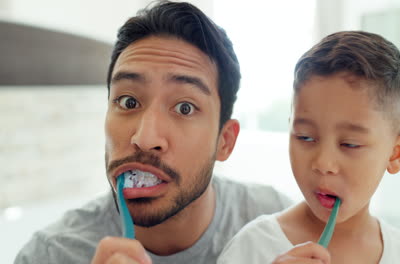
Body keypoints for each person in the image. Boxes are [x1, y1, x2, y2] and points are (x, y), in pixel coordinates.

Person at [14, 1, 292, 264]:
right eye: (128, 102)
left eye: (184, 108)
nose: (145, 139)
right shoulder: (48, 254)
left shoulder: (283, 227)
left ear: (225, 141)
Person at [217, 31, 400, 264]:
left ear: (396, 154)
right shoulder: (252, 247)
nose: (323, 163)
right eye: (305, 138)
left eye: (350, 144)